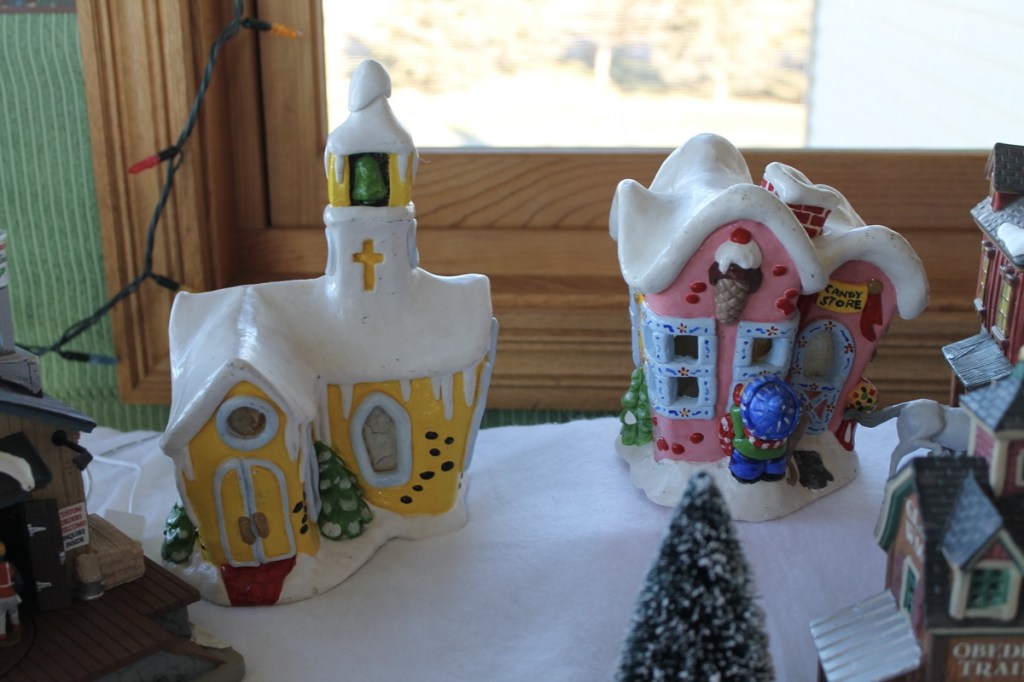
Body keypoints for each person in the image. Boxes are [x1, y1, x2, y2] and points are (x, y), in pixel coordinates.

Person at [0, 540, 22, 646]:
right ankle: (16, 628)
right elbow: (19, 581)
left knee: (0, 616)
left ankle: (2, 636)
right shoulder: (9, 566)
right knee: (14, 612)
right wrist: (17, 590)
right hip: (11, 594)